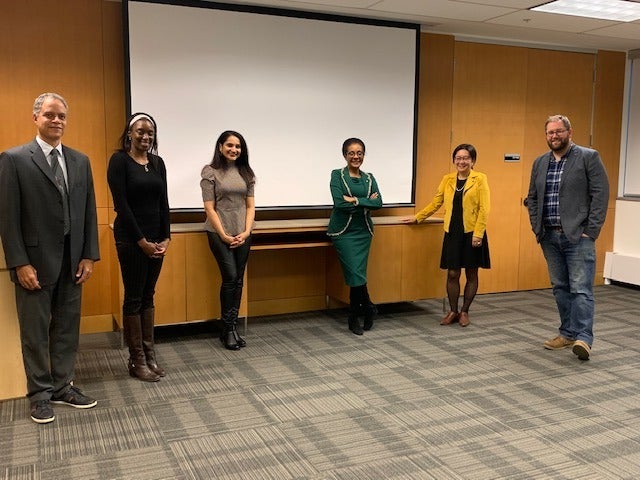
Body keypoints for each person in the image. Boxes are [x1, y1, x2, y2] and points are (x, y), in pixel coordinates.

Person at [0, 93, 100, 424]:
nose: (56, 120)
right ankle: (40, 393)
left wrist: (89, 255)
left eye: (62, 116)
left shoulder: (80, 161)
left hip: (73, 261)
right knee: (35, 330)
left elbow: (88, 212)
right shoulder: (14, 160)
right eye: (49, 115)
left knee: (67, 328)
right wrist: (19, 262)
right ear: (36, 118)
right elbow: (8, 217)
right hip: (34, 263)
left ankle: (62, 386)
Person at [526, 115, 609, 361]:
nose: (554, 136)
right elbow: (532, 197)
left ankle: (584, 338)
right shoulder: (540, 162)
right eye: (550, 132)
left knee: (581, 289)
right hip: (549, 237)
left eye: (559, 131)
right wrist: (536, 226)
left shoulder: (587, 157)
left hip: (578, 237)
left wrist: (590, 231)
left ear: (570, 132)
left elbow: (600, 195)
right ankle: (567, 332)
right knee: (560, 287)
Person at [107, 112, 170, 382]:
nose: (145, 137)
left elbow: (163, 203)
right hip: (131, 239)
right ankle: (136, 360)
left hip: (157, 240)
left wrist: (166, 237)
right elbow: (121, 205)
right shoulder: (119, 161)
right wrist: (141, 241)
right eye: (140, 132)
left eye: (150, 133)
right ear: (129, 133)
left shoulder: (158, 163)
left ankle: (149, 354)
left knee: (149, 295)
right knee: (134, 297)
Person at [405, 144, 490, 327]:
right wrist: (418, 217)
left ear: (473, 161)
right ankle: (453, 311)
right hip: (453, 232)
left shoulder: (480, 179)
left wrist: (478, 234)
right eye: (458, 158)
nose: (462, 161)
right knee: (452, 273)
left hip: (472, 232)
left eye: (466, 158)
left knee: (471, 272)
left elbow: (485, 209)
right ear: (454, 160)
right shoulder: (447, 179)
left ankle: (465, 311)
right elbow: (436, 202)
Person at [200, 131, 255, 350]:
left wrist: (247, 231)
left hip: (243, 232)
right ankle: (228, 327)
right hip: (218, 232)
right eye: (230, 145)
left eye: (238, 146)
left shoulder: (247, 173)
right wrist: (223, 234)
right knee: (230, 277)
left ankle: (230, 328)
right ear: (221, 147)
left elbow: (250, 206)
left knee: (238, 279)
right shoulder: (210, 172)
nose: (234, 150)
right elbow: (209, 208)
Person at [328, 138, 383, 335]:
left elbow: (379, 204)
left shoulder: (369, 177)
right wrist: (365, 201)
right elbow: (338, 203)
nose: (356, 156)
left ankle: (359, 313)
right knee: (355, 272)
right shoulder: (337, 175)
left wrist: (354, 199)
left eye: (359, 153)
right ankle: (365, 309)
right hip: (343, 232)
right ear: (344, 155)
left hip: (363, 231)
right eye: (351, 153)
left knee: (357, 273)